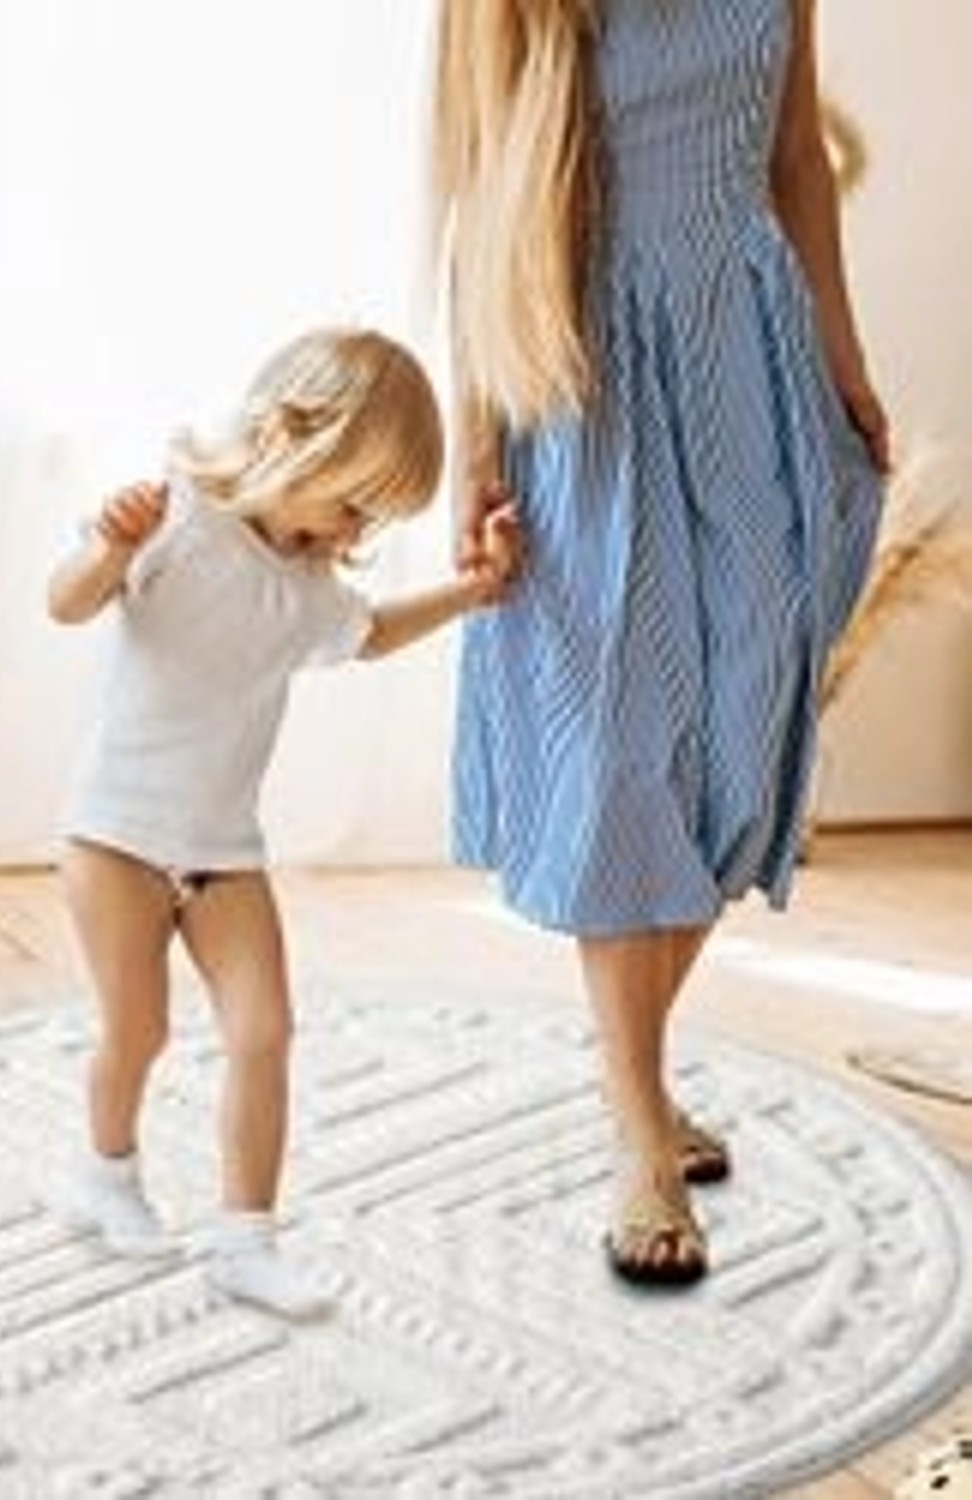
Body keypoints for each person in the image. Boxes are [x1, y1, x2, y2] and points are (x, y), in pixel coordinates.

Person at [429, 0, 889, 1287]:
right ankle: (639, 1120)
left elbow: (797, 157)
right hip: (585, 361)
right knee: (625, 731)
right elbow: (480, 193)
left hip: (750, 343)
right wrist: (476, 444)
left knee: (754, 699)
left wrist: (842, 363)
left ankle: (625, 1066)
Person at [46, 327, 519, 1319]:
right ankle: (106, 1174)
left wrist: (474, 592)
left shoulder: (309, 592)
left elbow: (375, 633)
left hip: (222, 851)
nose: (352, 538)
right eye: (351, 506)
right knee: (137, 1030)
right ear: (295, 436)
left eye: (371, 522)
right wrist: (106, 547)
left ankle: (243, 1236)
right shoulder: (173, 515)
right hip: (116, 837)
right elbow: (66, 603)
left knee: (265, 1031)